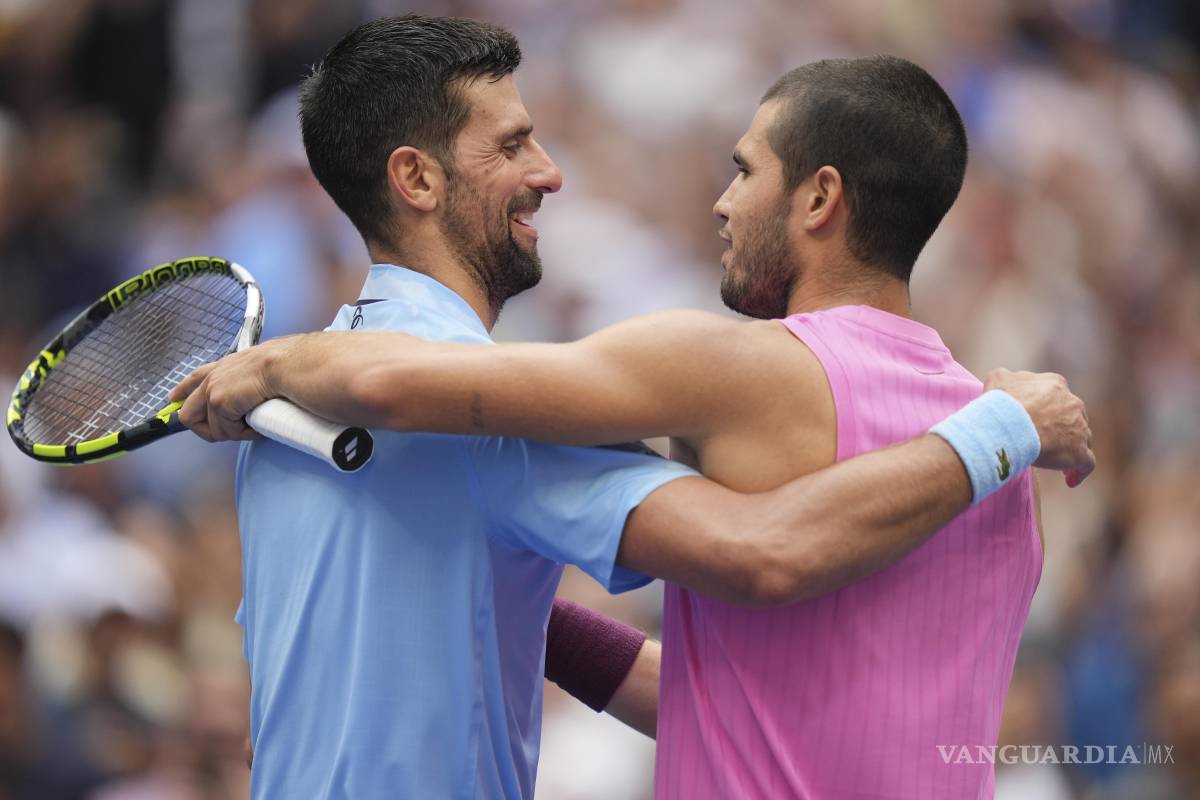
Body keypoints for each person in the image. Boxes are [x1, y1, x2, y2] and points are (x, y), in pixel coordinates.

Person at [171, 17, 1094, 800]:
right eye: (511, 144)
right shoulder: (1005, 481)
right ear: (415, 179)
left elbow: (747, 633)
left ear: (820, 198)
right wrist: (1003, 424)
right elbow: (762, 568)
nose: (551, 171)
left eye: (745, 169)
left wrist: (286, 358)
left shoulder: (281, 424)